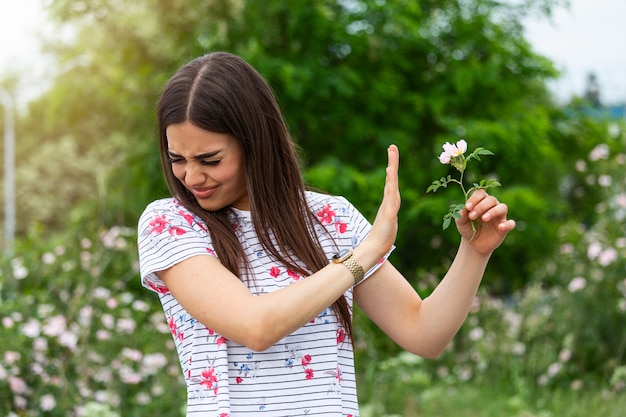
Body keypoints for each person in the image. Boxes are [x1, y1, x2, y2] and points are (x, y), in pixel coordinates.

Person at [137, 51, 516, 417]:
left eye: (210, 160)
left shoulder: (330, 219)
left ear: (253, 142)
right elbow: (256, 327)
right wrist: (364, 255)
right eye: (177, 159)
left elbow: (424, 334)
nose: (191, 177)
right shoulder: (171, 223)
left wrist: (474, 251)